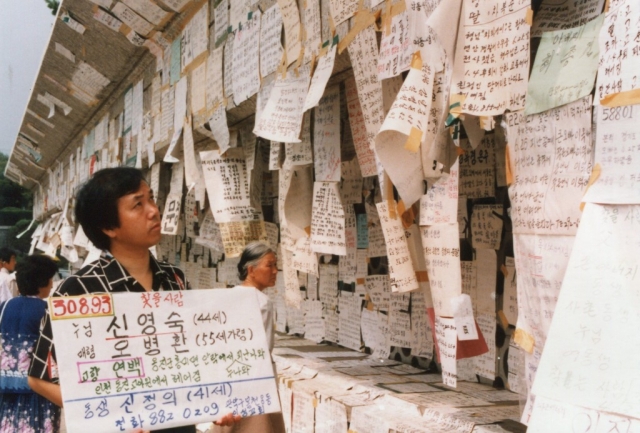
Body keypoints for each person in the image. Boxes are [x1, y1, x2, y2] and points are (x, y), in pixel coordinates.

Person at [27, 167, 239, 433]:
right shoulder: (77, 290)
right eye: (138, 205)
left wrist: (217, 401)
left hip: (180, 423)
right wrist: (111, 418)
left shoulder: (174, 278)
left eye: (151, 199)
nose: (153, 211)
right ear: (108, 227)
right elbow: (40, 378)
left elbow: (193, 354)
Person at [211, 242, 285, 433]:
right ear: (251, 270)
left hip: (230, 380)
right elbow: (264, 349)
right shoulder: (262, 302)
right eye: (270, 265)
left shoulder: (230, 296)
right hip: (256, 383)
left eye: (275, 265)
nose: (275, 271)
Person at [0, 254, 61, 432]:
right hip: (40, 389)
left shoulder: (4, 306)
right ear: (45, 281)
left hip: (5, 387)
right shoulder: (48, 310)